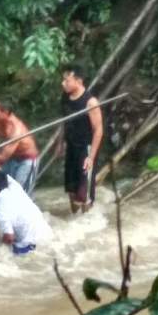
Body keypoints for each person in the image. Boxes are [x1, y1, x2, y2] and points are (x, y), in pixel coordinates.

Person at [57, 64, 103, 214]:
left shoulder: (90, 102)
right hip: (71, 147)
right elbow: (64, 122)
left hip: (86, 149)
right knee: (71, 189)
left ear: (79, 81)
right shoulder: (65, 98)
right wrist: (60, 143)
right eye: (63, 80)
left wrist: (91, 157)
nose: (63, 83)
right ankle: (74, 221)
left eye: (67, 80)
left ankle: (88, 220)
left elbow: (98, 130)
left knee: (84, 194)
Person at [0, 170, 52, 255]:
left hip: (32, 246)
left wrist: (1, 248)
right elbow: (3, 174)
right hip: (48, 235)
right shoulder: (15, 186)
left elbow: (9, 237)